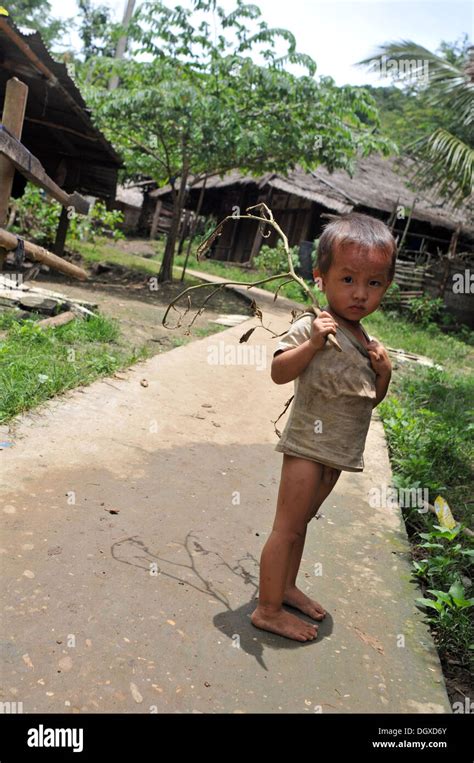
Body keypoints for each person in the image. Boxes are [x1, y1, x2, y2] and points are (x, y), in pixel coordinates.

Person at [251, 212, 396, 641]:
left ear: (386, 287)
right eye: (348, 279)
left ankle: (286, 587)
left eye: (373, 284)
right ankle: (267, 608)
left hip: (336, 452)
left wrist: (383, 373)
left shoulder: (365, 340)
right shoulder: (313, 327)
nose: (359, 294)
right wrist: (314, 341)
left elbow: (369, 400)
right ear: (321, 277)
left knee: (303, 524)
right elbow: (279, 371)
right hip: (307, 448)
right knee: (286, 527)